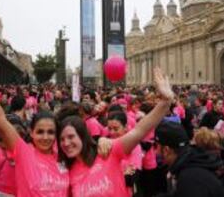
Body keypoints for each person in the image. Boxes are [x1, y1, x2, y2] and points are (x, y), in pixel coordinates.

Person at [56, 68, 174, 197]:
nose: (66, 143)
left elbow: (139, 131)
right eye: (62, 139)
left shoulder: (107, 151)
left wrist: (165, 102)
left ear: (82, 135)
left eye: (71, 136)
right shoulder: (67, 172)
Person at [0, 60, 70, 196]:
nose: (46, 137)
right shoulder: (24, 152)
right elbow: (0, 119)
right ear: (31, 132)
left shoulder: (64, 155)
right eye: (40, 132)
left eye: (51, 132)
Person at [154, 121, 224, 197]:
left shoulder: (188, 178)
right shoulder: (192, 161)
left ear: (166, 150)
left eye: (156, 146)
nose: (156, 152)